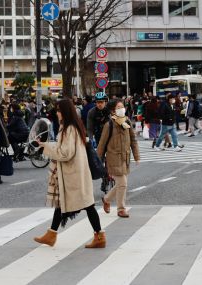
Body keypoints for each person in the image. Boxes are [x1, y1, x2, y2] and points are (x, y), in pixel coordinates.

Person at [34, 99, 106, 248]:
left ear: (65, 112)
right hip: (75, 173)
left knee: (87, 205)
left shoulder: (69, 129)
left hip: (73, 174)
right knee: (67, 204)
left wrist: (46, 149)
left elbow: (66, 153)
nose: (57, 113)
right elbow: (63, 147)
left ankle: (99, 236)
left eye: (59, 110)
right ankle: (52, 234)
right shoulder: (71, 126)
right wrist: (46, 145)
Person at [97, 99, 140, 218]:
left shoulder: (127, 121)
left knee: (120, 184)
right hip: (113, 159)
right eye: (119, 107)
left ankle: (106, 199)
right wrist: (98, 160)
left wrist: (137, 156)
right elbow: (102, 144)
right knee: (123, 183)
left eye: (122, 106)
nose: (122, 109)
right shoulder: (109, 125)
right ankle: (121, 209)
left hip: (125, 158)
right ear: (112, 111)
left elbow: (133, 140)